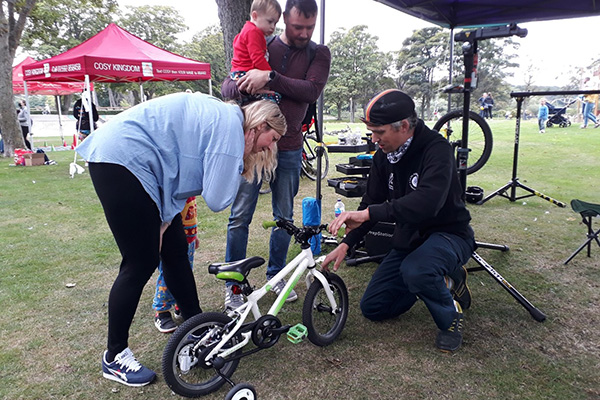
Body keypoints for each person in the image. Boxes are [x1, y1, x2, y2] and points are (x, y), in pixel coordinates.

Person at [76, 93, 287, 387]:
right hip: (122, 158)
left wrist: (164, 221)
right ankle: (114, 357)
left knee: (175, 250)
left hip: (141, 166)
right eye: (273, 137)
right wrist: (236, 167)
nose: (271, 146)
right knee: (140, 262)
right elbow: (216, 199)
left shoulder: (226, 119)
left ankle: (195, 326)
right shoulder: (231, 129)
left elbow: (178, 175)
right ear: (259, 125)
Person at [321, 89, 476, 353]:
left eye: (379, 132)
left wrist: (370, 214)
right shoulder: (384, 155)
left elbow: (427, 202)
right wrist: (347, 244)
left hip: (450, 234)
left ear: (404, 126)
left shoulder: (436, 149)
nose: (374, 139)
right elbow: (370, 203)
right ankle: (445, 280)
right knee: (374, 308)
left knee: (417, 269)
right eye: (371, 132)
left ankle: (450, 319)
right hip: (410, 240)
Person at [221, 0, 331, 310]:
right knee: (239, 216)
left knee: (284, 216)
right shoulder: (260, 40)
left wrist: (269, 77)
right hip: (253, 148)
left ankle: (277, 274)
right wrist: (246, 84)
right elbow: (227, 86)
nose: (304, 33)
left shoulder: (318, 53)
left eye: (309, 27)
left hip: (291, 147)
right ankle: (234, 285)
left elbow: (310, 91)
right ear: (284, 21)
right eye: (298, 27)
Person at [152, 196, 199, 333]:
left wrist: (194, 234)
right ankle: (161, 311)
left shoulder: (188, 188)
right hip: (170, 235)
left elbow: (191, 211)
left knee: (185, 271)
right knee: (168, 273)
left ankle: (181, 304)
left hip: (188, 235)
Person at [230, 0, 282, 103]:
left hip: (238, 73)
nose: (273, 27)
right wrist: (269, 75)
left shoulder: (247, 30)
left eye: (275, 23)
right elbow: (257, 58)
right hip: (244, 73)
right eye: (270, 21)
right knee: (274, 98)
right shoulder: (253, 32)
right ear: (255, 16)